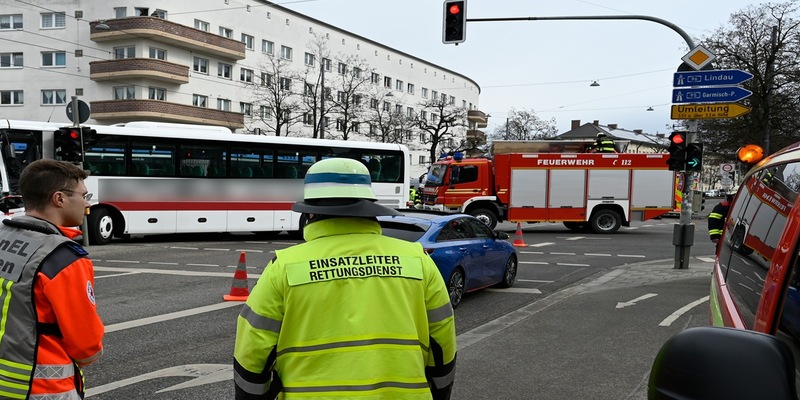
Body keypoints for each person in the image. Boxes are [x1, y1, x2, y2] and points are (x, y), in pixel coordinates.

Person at [234, 158, 457, 400]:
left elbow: (252, 354)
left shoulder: (284, 267)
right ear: (369, 207)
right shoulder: (417, 260)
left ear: (310, 212)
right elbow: (442, 344)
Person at [0, 159, 104, 399]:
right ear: (59, 199)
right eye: (83, 195)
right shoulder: (63, 258)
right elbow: (85, 345)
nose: (87, 203)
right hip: (44, 388)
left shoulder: (4, 237)